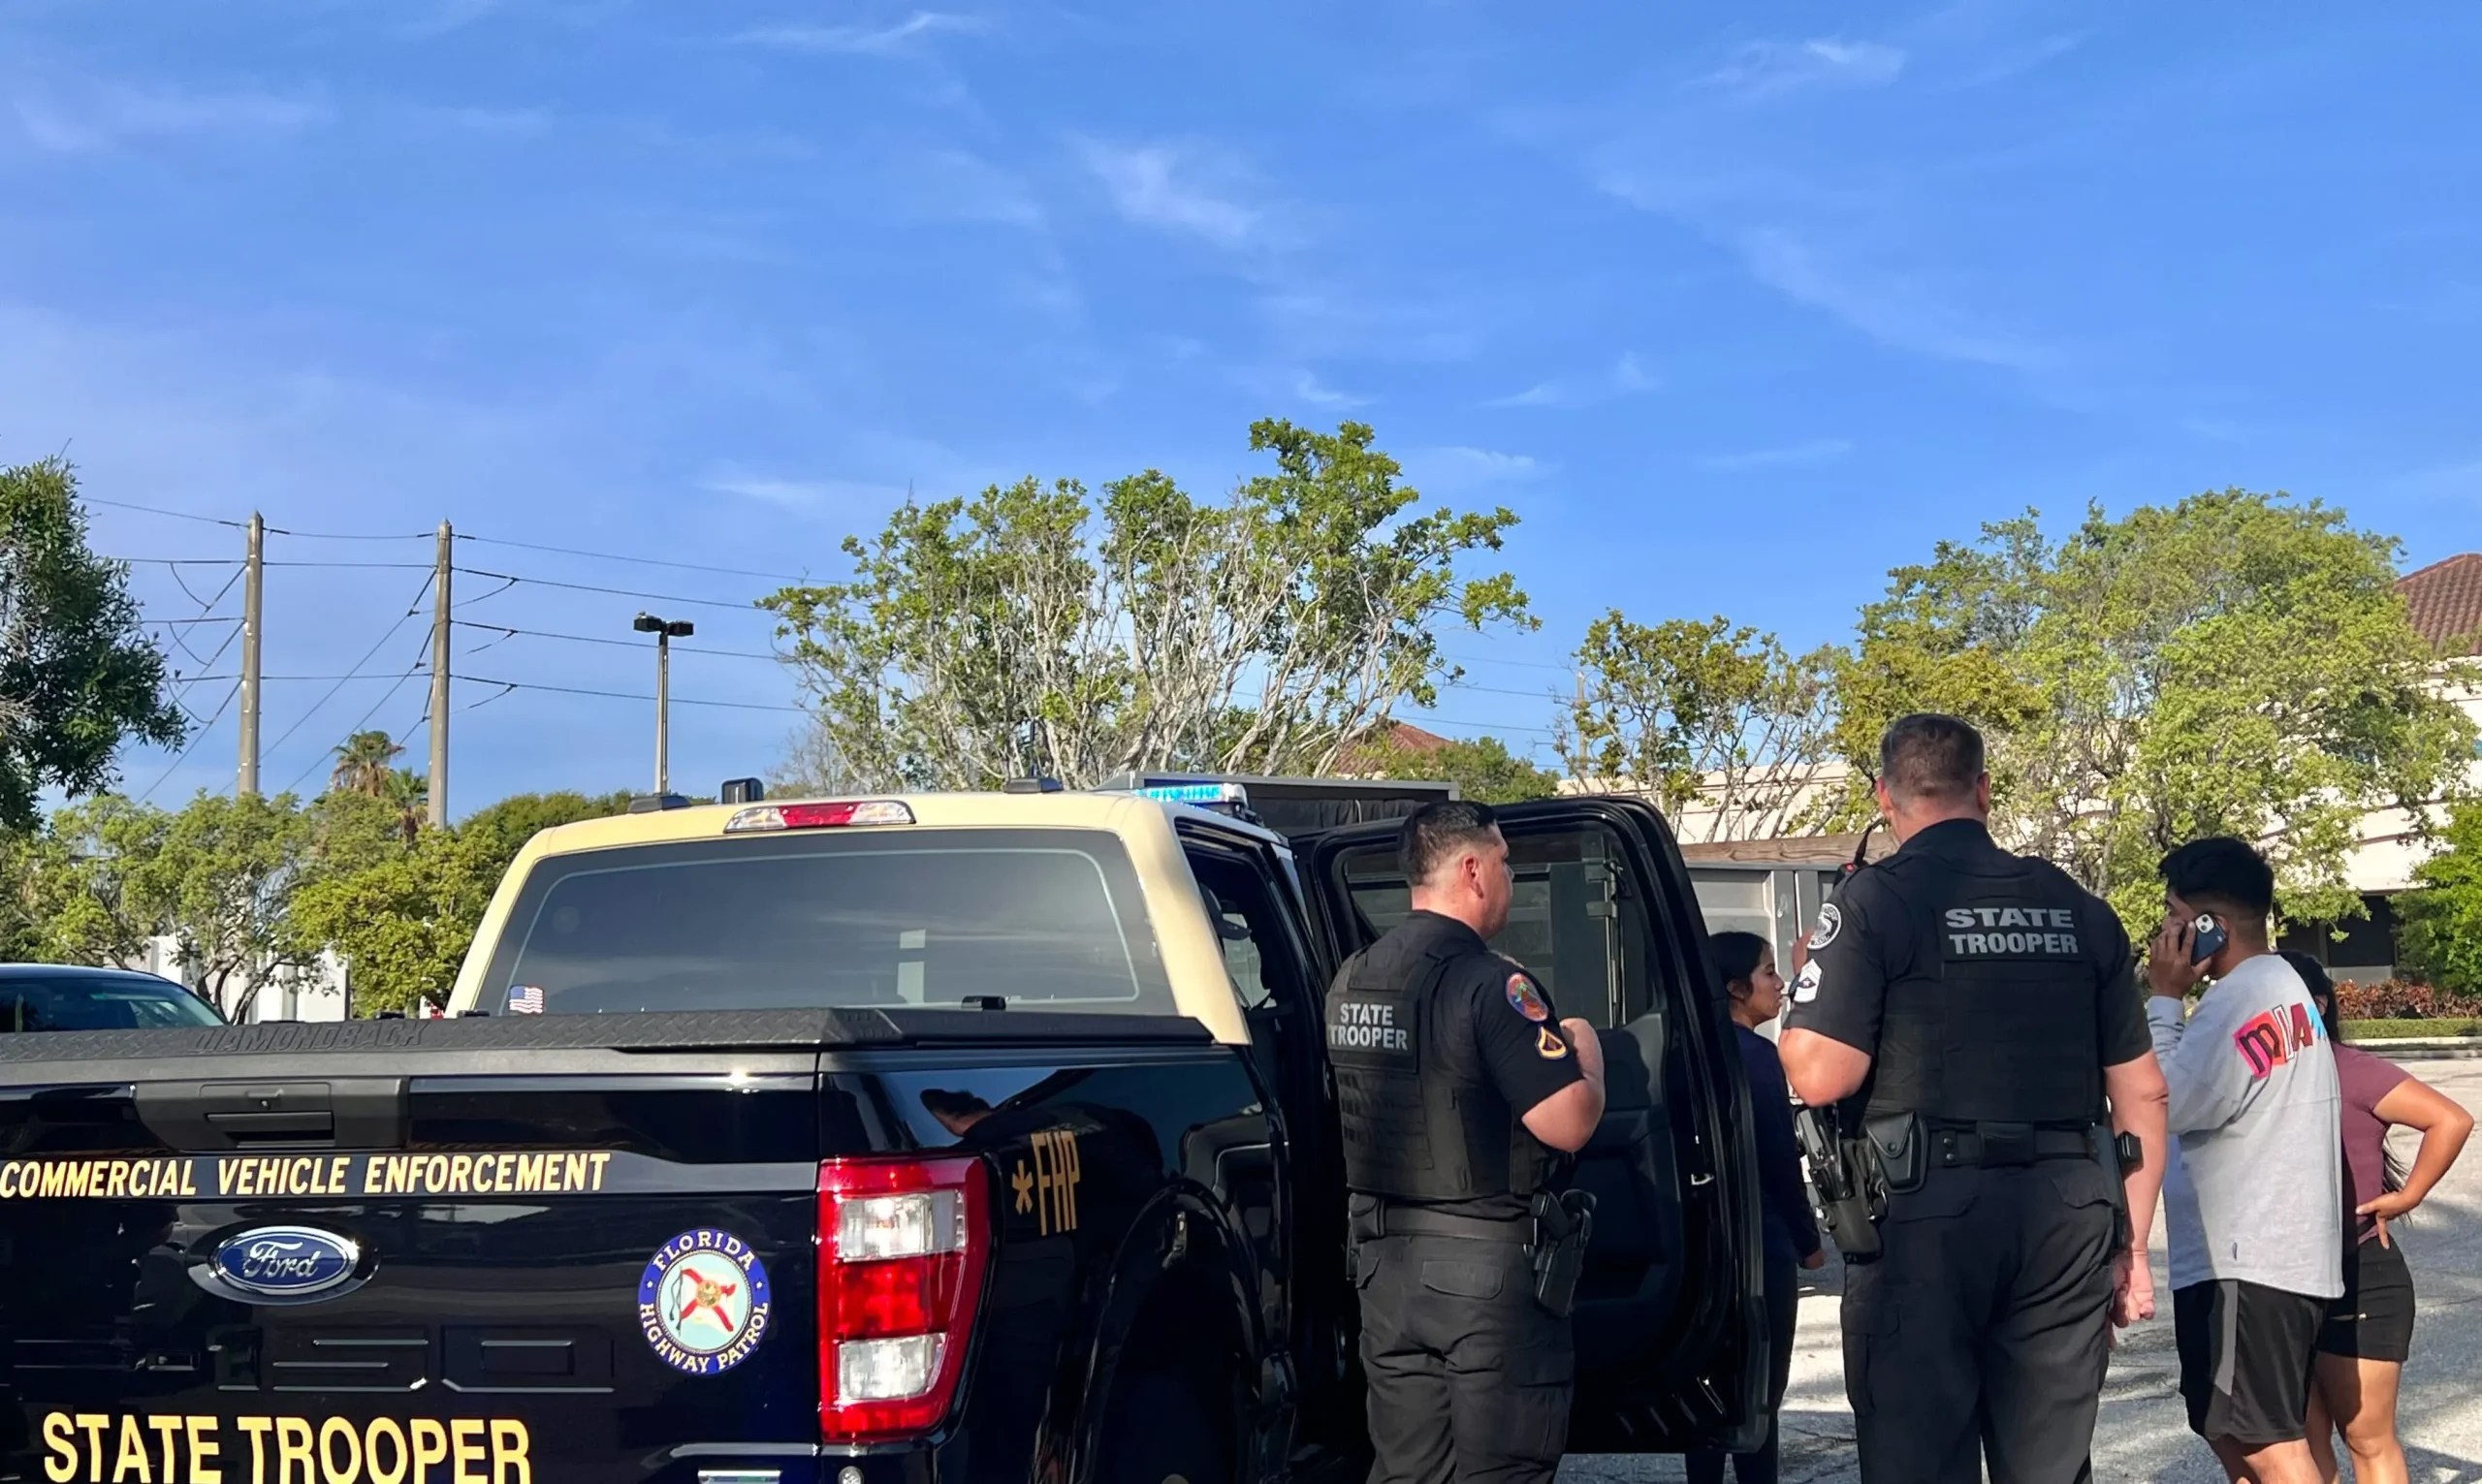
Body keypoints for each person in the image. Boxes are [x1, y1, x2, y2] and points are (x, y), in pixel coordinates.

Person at [1777, 712, 2171, 1484]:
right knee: (2052, 1467)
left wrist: (1803, 986)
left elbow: (1819, 1074)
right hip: (2066, 1215)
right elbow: (2143, 1091)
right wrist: (2131, 1251)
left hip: (1923, 1220)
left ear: (1884, 798)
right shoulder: (2080, 908)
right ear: (1984, 790)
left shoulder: (1870, 904)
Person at [1324, 799, 1608, 1484]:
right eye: (1506, 862)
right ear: (1474, 871)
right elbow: (1566, 1120)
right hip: (1484, 1277)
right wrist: (1589, 1052)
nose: (1509, 877)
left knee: (1407, 1469)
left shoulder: (1352, 978)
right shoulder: (1493, 985)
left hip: (1384, 1269)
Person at [2145, 840, 2342, 1484]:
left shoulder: (2236, 999)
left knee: (2267, 1443)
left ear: (2210, 926)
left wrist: (2166, 998)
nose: (2165, 934)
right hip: (2277, 1254)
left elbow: (2165, 1100)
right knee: (2233, 1430)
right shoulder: (2283, 984)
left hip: (2245, 1258)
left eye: (2174, 918)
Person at [2282, 951, 2474, 1484]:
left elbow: (2451, 1119)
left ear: (2317, 1005)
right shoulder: (2258, 1082)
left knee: (2366, 1440)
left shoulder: (2351, 1068)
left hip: (2361, 1275)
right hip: (2280, 1281)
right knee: (2298, 1442)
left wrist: (2408, 1195)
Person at [1687, 931, 1824, 1484]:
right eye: (1769, 973)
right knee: (1760, 1395)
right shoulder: (1760, 1059)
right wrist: (1809, 1241)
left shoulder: (1688, 1052)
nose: (1780, 983)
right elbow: (1777, 1159)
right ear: (1737, 990)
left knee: (1709, 1389)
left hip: (1703, 1246)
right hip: (1760, 1245)